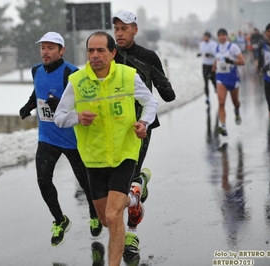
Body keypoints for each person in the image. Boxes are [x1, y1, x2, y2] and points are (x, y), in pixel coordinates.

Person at [54, 31, 158, 266]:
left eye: (101, 50)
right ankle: (134, 196)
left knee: (113, 215)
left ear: (112, 53)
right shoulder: (77, 81)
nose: (95, 55)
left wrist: (144, 122)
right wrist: (77, 117)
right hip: (94, 158)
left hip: (124, 153)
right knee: (104, 219)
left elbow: (150, 102)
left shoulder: (127, 75)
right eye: (91, 50)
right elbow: (59, 117)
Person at [19, 32, 102, 246]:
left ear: (61, 50)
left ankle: (94, 214)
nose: (45, 52)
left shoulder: (71, 73)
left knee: (85, 182)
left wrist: (64, 107)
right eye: (43, 48)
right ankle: (60, 220)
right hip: (47, 137)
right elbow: (38, 91)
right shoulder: (36, 70)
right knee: (43, 180)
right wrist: (28, 106)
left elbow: (87, 104)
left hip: (73, 138)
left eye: (51, 48)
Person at [111, 10, 175, 259]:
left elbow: (164, 88)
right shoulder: (108, 55)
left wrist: (165, 88)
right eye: (116, 28)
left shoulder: (147, 57)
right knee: (117, 183)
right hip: (113, 128)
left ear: (135, 30)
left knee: (126, 180)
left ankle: (131, 234)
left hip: (141, 126)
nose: (119, 33)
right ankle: (141, 182)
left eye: (124, 28)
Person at [212, 28, 245, 136]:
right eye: (219, 35)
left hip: (232, 77)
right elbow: (216, 59)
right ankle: (224, 126)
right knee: (221, 102)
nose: (221, 37)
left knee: (235, 102)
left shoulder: (233, 47)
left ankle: (236, 110)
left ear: (226, 36)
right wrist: (214, 67)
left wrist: (231, 61)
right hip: (221, 77)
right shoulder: (216, 48)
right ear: (218, 37)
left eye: (223, 35)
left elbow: (242, 61)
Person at [197, 31, 217, 105]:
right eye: (204, 37)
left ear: (209, 37)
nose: (205, 38)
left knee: (214, 81)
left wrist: (210, 55)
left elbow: (216, 54)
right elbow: (202, 52)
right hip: (205, 65)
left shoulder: (214, 44)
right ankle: (207, 97)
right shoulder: (201, 43)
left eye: (206, 37)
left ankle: (217, 92)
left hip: (212, 66)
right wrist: (200, 54)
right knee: (206, 82)